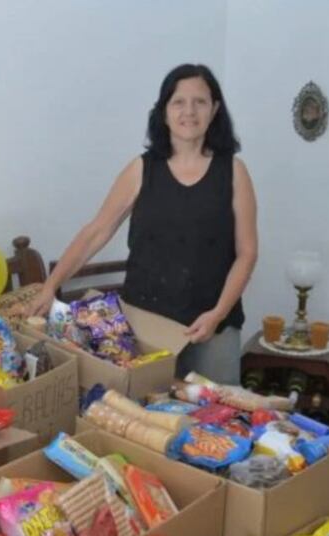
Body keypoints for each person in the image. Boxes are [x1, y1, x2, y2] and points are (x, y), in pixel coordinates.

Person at [28, 63, 258, 384]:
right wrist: (51, 285)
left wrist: (218, 313)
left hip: (213, 326)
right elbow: (96, 231)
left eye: (200, 102)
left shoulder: (234, 171)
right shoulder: (141, 169)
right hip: (145, 322)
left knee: (218, 422)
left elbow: (247, 252)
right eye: (178, 102)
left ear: (215, 109)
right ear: (164, 111)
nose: (189, 111)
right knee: (148, 416)